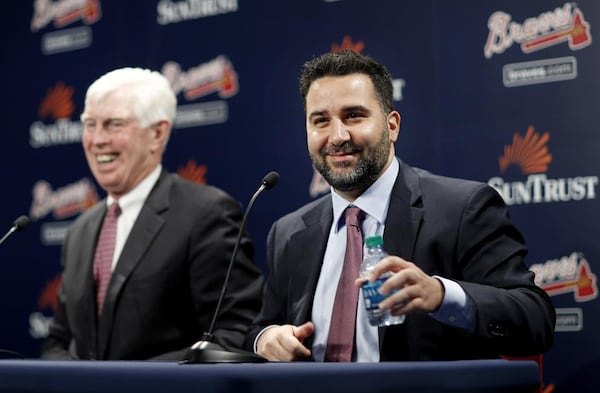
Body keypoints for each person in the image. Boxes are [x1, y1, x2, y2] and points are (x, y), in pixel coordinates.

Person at [245, 50, 555, 362]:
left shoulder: (463, 209)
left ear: (392, 126)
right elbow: (259, 328)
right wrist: (265, 339)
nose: (337, 136)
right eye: (321, 121)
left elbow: (535, 320)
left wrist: (442, 296)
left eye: (354, 116)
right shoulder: (289, 232)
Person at [41, 67, 264, 360]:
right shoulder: (80, 230)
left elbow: (232, 334)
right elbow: (59, 340)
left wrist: (124, 384)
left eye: (114, 124)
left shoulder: (207, 215)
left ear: (158, 134)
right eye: (89, 124)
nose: (96, 140)